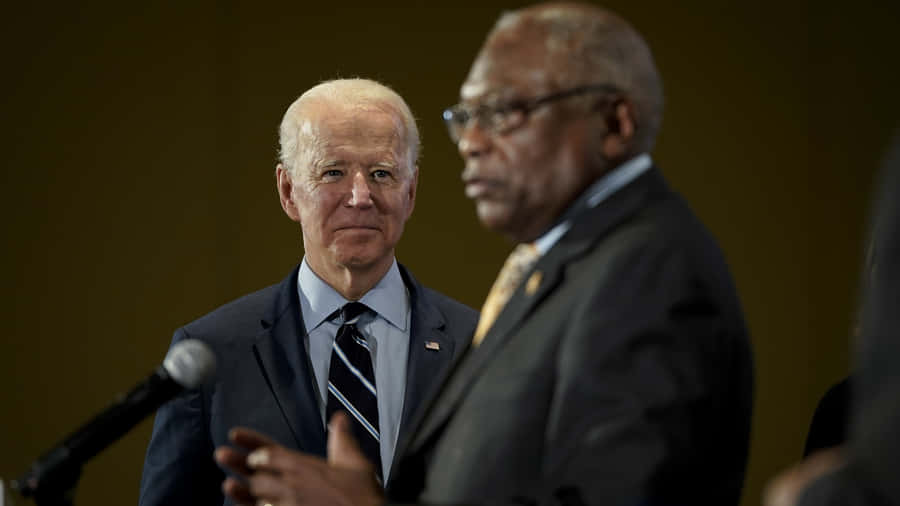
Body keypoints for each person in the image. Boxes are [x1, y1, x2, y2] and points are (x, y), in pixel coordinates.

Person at [215, 3, 754, 505]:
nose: (470, 141)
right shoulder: (570, 268)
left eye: (506, 111)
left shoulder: (650, 276)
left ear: (614, 123)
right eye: (467, 115)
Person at [138, 79, 478, 506]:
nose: (360, 196)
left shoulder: (479, 346)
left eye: (382, 174)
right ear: (288, 191)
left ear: (410, 193)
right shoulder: (210, 353)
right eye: (333, 172)